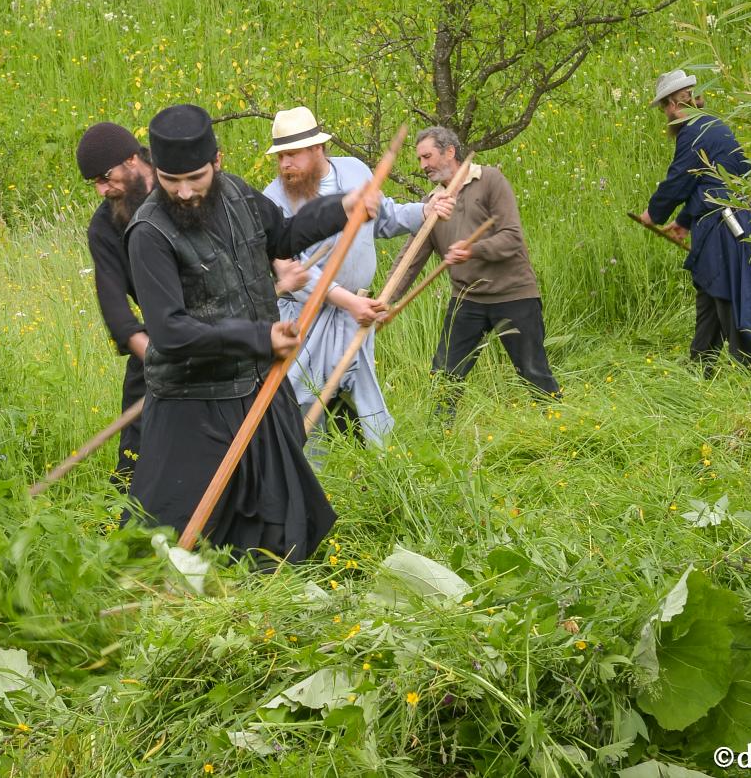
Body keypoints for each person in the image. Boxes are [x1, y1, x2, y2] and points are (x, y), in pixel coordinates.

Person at [124, 103, 376, 563]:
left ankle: (264, 602)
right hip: (193, 404)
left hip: (259, 384)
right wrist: (258, 337)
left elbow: (282, 236)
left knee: (277, 522)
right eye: (170, 180)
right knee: (166, 538)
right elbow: (170, 330)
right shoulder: (148, 233)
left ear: (217, 162)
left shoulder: (238, 194)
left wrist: (342, 208)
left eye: (195, 178)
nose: (183, 192)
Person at [259, 106, 440, 446]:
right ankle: (308, 481)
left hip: (355, 314)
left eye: (292, 155)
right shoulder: (274, 198)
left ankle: (388, 477)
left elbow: (385, 219)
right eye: (280, 157)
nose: (285, 165)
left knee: (366, 401)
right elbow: (294, 271)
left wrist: (425, 211)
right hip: (307, 317)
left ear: (317, 149)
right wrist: (348, 301)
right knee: (304, 401)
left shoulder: (354, 171)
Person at [407, 126, 561, 412]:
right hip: (467, 299)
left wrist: (473, 249)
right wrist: (385, 302)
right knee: (444, 378)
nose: (423, 165)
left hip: (514, 295)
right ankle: (439, 442)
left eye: (427, 156)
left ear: (450, 151)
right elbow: (411, 257)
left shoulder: (489, 180)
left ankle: (560, 433)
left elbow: (512, 237)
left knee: (534, 374)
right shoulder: (431, 204)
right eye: (419, 159)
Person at [638, 70, 751, 374]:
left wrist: (653, 214)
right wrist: (685, 221)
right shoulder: (712, 127)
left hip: (727, 226)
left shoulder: (695, 130)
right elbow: (708, 182)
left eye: (664, 107)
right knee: (710, 293)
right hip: (728, 219)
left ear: (676, 102)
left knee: (727, 292)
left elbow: (680, 180)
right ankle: (701, 366)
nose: (665, 115)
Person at [75, 122, 155, 486]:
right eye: (94, 181)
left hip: (223, 327)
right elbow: (113, 302)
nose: (102, 190)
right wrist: (150, 352)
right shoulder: (105, 228)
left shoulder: (181, 183)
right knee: (135, 452)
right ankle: (126, 520)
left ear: (133, 159)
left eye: (106, 177)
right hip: (160, 342)